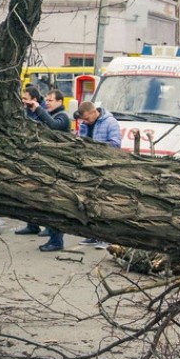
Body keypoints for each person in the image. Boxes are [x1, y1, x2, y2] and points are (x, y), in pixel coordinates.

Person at [25, 88, 72, 252]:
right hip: (51, 166)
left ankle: (57, 241)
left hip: (60, 169)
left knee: (56, 205)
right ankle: (53, 237)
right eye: (48, 100)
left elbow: (53, 126)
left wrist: (38, 108)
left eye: (51, 100)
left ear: (60, 102)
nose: (48, 103)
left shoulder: (63, 117)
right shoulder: (52, 115)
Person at [76, 100, 122, 248]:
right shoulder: (85, 124)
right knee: (89, 202)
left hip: (105, 168)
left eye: (88, 118)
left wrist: (95, 147)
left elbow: (115, 144)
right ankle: (92, 235)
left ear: (94, 112)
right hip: (89, 168)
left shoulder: (111, 122)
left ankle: (105, 237)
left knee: (104, 203)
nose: (86, 122)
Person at [13, 85, 49, 236]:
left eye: (25, 99)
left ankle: (49, 226)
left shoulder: (44, 112)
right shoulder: (25, 110)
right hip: (28, 154)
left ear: (34, 100)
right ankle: (32, 224)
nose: (23, 101)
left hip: (42, 157)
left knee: (45, 195)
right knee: (28, 192)